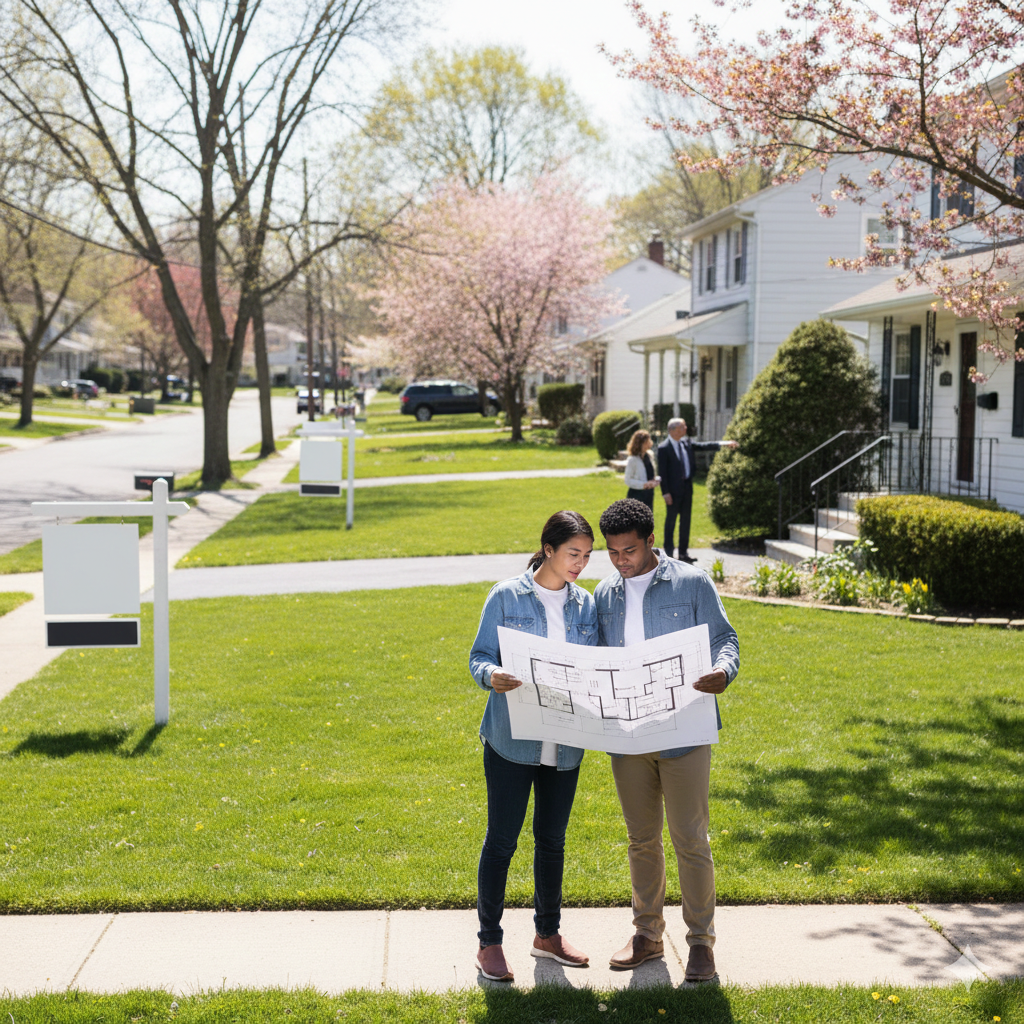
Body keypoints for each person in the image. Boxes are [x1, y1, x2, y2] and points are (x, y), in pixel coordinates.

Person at [594, 498, 739, 983]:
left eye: (629, 551)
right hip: (628, 736)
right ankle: (648, 936)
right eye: (612, 552)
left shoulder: (692, 582)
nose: (621, 561)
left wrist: (723, 670)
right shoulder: (605, 594)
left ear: (651, 541)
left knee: (691, 840)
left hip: (685, 732)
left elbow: (726, 639)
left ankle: (700, 944)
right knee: (641, 840)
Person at [468, 510, 599, 983]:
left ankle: (547, 936)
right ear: (548, 549)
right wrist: (491, 676)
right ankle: (489, 942)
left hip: (565, 743)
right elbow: (479, 656)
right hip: (511, 741)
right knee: (502, 840)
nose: (580, 564)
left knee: (553, 841)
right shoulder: (506, 596)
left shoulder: (587, 606)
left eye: (586, 556)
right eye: (572, 554)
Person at [656, 417, 738, 563]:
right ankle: (668, 554)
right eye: (683, 427)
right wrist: (665, 492)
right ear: (673, 430)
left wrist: (724, 444)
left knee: (686, 521)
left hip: (687, 488)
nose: (686, 429)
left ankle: (683, 553)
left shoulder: (686, 443)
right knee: (671, 521)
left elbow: (704, 446)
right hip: (673, 491)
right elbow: (662, 473)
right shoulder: (664, 448)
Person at [623, 429, 659, 509]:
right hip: (636, 495)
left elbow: (650, 473)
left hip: (649, 494)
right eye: (645, 442)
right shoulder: (632, 459)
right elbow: (628, 480)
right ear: (639, 444)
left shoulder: (649, 456)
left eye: (648, 441)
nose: (648, 444)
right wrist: (644, 485)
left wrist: (654, 481)